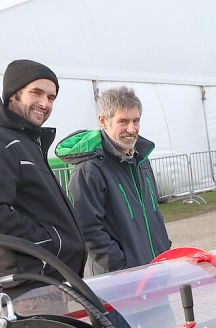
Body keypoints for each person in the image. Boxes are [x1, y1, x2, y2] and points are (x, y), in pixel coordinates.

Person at [0, 59, 86, 293]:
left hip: (47, 279)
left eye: (51, 98)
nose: (45, 103)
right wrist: (52, 242)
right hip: (27, 285)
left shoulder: (25, 141)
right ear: (14, 94)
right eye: (36, 93)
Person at [56, 86, 171, 275]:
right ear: (103, 121)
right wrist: (121, 266)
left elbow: (153, 213)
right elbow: (88, 229)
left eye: (136, 121)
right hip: (120, 280)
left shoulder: (141, 160)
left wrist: (164, 248)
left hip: (155, 270)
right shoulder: (89, 170)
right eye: (123, 122)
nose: (131, 129)